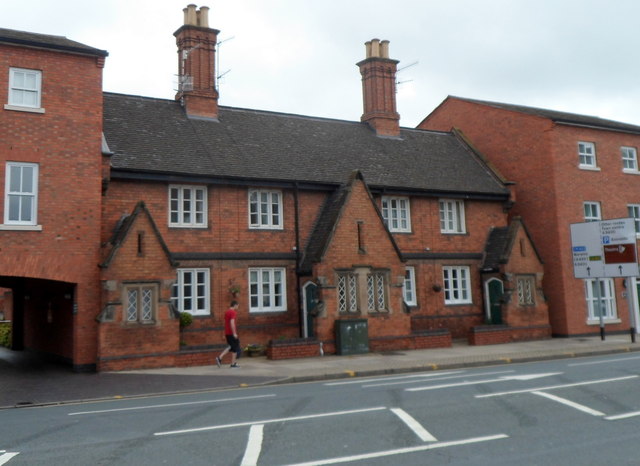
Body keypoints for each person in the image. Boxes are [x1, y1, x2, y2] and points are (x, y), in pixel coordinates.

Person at [216, 300, 241, 368]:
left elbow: (226, 323)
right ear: (235, 305)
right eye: (238, 306)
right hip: (231, 333)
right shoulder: (233, 312)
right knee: (234, 347)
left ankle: (232, 363)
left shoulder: (227, 312)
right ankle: (220, 358)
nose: (238, 307)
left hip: (227, 333)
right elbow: (232, 323)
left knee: (233, 347)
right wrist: (234, 333)